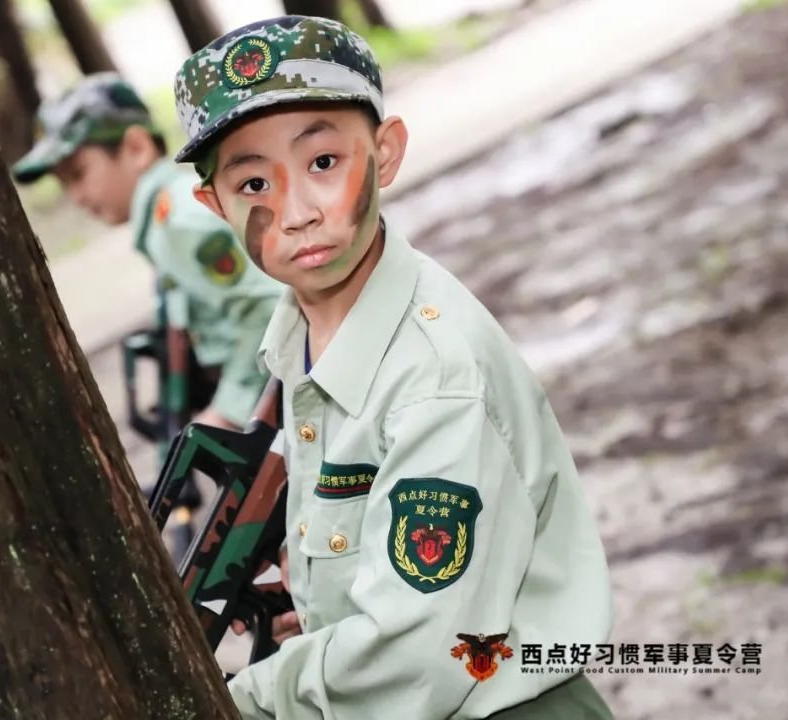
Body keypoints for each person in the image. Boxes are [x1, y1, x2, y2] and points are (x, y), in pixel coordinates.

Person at [172, 15, 614, 718]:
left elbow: (414, 660)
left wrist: (243, 700)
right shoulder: (305, 337)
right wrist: (322, 605)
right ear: (214, 204)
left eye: (323, 164)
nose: (296, 213)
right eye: (254, 184)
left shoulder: (433, 379)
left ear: (385, 152)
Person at [12, 73, 283, 430]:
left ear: (136, 148)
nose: (75, 196)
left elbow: (268, 305)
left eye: (78, 173)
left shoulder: (178, 222)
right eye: (64, 184)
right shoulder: (165, 222)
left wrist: (228, 411)